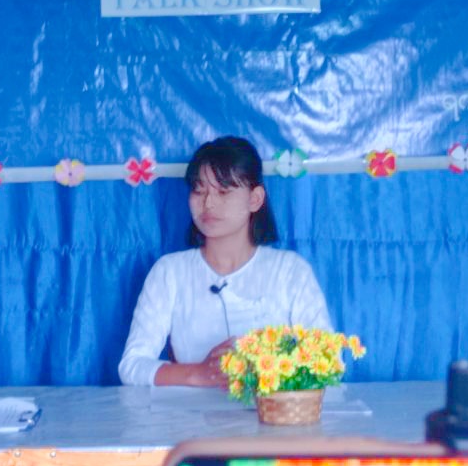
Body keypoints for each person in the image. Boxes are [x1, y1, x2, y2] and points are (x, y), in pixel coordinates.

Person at [118, 136, 332, 386]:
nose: (208, 203)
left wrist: (267, 372)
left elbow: (328, 359)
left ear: (255, 199)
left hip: (272, 409)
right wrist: (199, 373)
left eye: (223, 191)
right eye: (199, 191)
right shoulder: (169, 272)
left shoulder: (290, 271)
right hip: (187, 411)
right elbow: (132, 366)